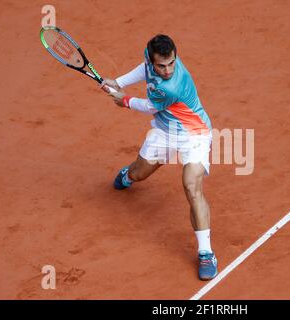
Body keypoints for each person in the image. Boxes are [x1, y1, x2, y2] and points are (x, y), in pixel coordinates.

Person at [101, 34, 217, 281]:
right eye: (161, 65)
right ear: (152, 59)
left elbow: (150, 107)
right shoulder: (150, 62)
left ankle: (206, 252)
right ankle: (128, 175)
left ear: (176, 56)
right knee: (137, 174)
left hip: (193, 134)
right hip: (165, 132)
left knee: (191, 186)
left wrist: (124, 99)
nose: (167, 70)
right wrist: (119, 81)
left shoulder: (172, 85)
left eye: (171, 63)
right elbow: (144, 70)